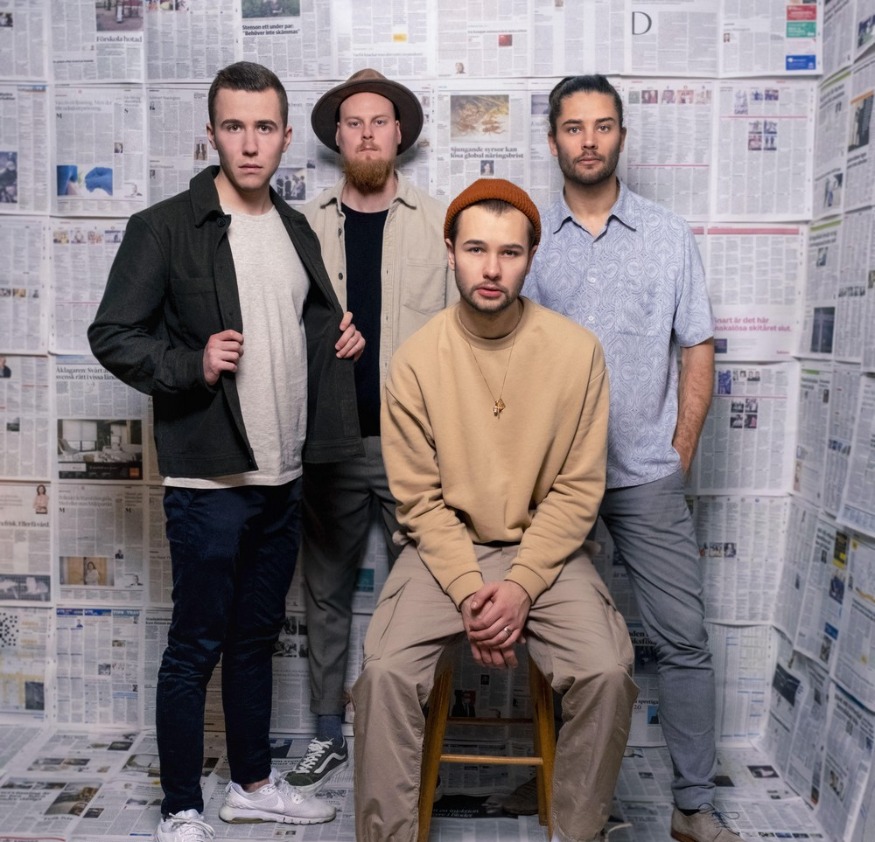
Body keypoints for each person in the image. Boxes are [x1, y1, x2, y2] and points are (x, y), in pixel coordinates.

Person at [88, 61, 365, 842]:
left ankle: (251, 786)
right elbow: (112, 333)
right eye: (234, 126)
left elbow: (301, 327)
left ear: (285, 136)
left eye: (264, 127)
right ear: (210, 134)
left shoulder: (295, 227)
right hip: (210, 480)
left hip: (283, 475)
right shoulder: (165, 227)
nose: (249, 143)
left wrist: (337, 336)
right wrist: (193, 362)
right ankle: (181, 805)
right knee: (195, 646)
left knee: (252, 642)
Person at [352, 178, 637, 842]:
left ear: (531, 257)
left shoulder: (577, 352)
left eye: (509, 252)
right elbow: (418, 500)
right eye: (476, 249)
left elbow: (577, 490)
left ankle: (575, 832)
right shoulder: (415, 360)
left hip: (546, 551)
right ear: (449, 250)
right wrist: (470, 591)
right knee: (384, 673)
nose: (490, 268)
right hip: (443, 551)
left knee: (606, 670)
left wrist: (519, 587)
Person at [522, 75, 740, 842]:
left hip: (646, 474)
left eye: (602, 126)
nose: (588, 141)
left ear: (620, 135)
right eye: (573, 127)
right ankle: (577, 796)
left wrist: (678, 453)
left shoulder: (667, 234)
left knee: (682, 640)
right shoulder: (527, 238)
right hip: (554, 482)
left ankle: (691, 806)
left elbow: (697, 346)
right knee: (563, 646)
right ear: (552, 138)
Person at [286, 68, 455, 792]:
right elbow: (278, 326)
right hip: (328, 443)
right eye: (352, 122)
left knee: (431, 590)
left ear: (399, 134)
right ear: (336, 136)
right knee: (324, 592)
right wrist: (320, 343)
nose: (365, 133)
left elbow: (464, 336)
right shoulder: (300, 225)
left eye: (378, 121)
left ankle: (411, 733)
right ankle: (327, 733)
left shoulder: (440, 224)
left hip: (414, 447)